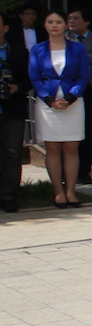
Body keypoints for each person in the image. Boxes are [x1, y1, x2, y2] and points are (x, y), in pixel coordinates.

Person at [31, 11, 91, 207]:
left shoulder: (77, 48)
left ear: (66, 25)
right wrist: (50, 100)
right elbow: (35, 77)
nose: (54, 25)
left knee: (72, 148)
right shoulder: (37, 49)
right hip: (47, 103)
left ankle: (71, 191)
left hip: (72, 102)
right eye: (50, 22)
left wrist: (70, 97)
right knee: (53, 148)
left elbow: (83, 76)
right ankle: (58, 191)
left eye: (58, 22)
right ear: (45, 25)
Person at [67, 9, 92, 186]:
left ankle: (85, 172)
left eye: (75, 18)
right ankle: (67, 173)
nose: (71, 21)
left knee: (88, 132)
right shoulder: (64, 37)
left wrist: (78, 56)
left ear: (86, 21)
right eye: (69, 18)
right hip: (70, 90)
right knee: (69, 133)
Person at [0, 12, 31, 213]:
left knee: (12, 154)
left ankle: (9, 196)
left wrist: (16, 87)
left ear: (5, 28)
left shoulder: (19, 52)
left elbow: (30, 79)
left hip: (13, 110)